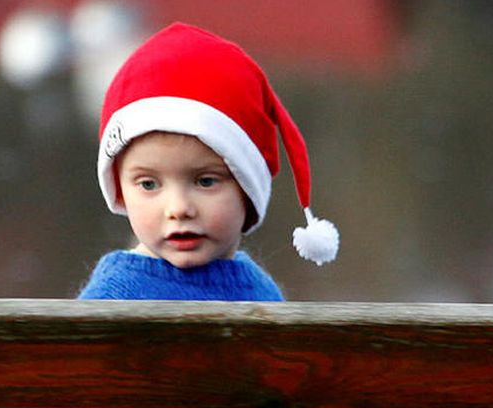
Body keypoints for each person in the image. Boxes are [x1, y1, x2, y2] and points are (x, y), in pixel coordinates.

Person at [77, 22, 338, 300]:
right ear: (120, 190)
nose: (178, 209)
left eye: (205, 181)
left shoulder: (260, 294)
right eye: (149, 184)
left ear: (247, 189)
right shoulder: (114, 298)